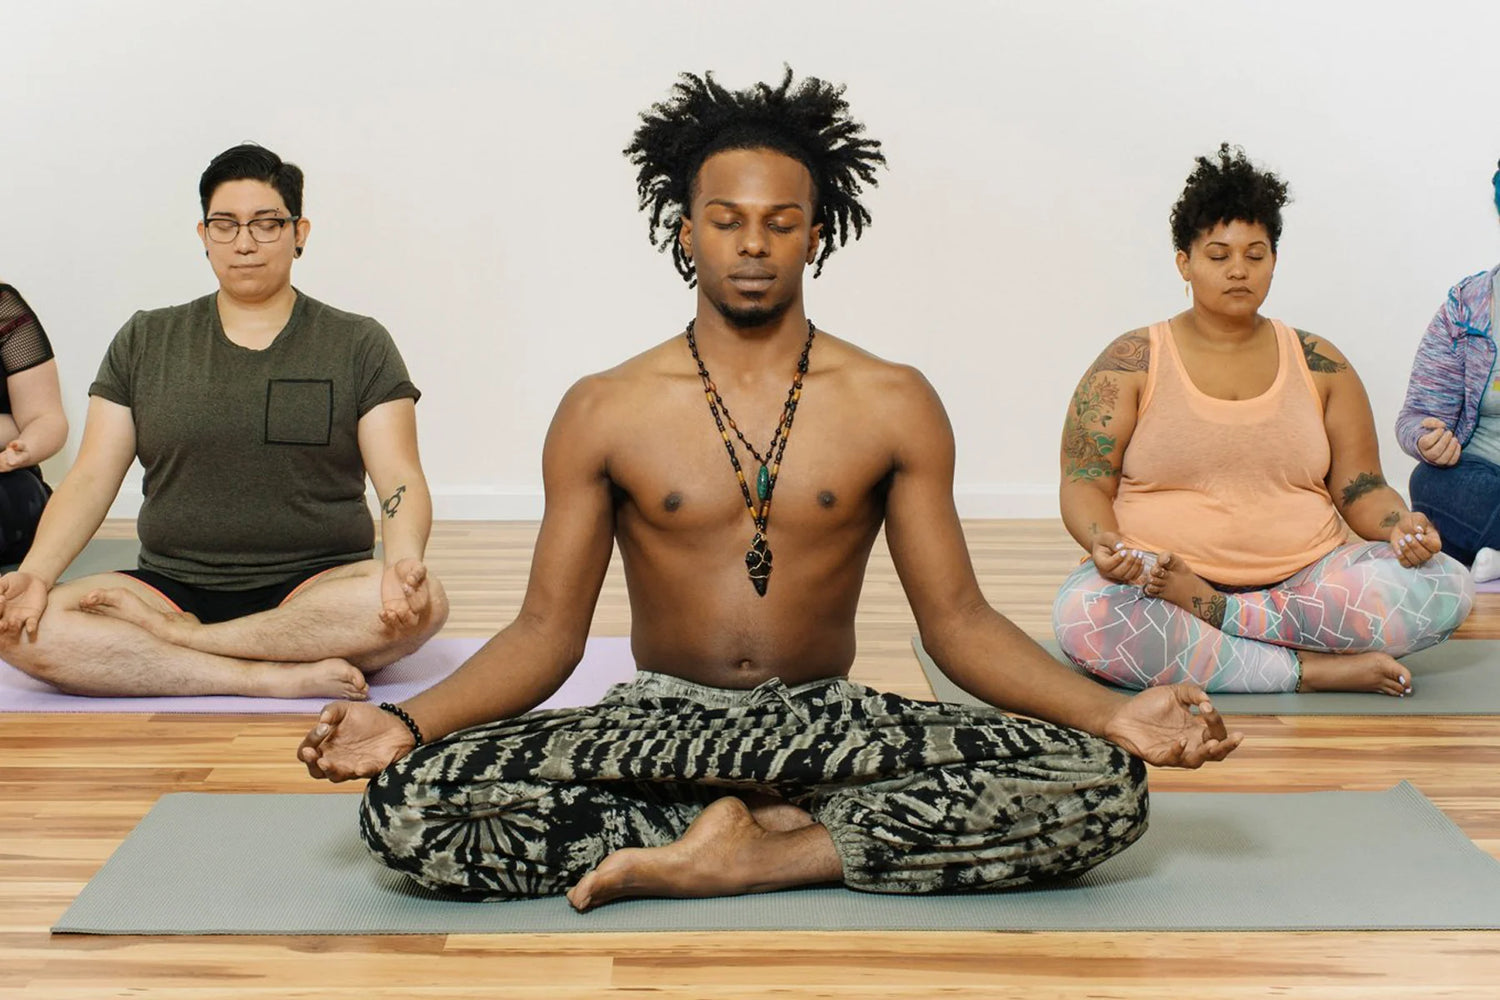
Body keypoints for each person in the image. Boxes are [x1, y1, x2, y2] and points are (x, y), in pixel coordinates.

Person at [298, 70, 1239, 912]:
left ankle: (753, 855)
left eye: (781, 223)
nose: (754, 244)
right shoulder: (602, 408)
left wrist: (1112, 712)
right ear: (685, 230)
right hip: (661, 722)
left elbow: (957, 623)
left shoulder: (894, 402)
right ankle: (762, 832)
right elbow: (547, 634)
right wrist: (405, 722)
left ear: (817, 234)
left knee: (1103, 781)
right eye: (727, 219)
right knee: (409, 804)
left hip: (825, 721)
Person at [0, 144, 447, 699]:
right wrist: (37, 576)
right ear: (203, 235)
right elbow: (90, 477)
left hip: (318, 584)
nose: (244, 242)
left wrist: (403, 565)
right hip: (169, 586)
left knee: (426, 606)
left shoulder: (358, 342)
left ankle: (180, 644)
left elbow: (399, 476)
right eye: (226, 225)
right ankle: (258, 673)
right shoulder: (145, 339)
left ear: (299, 232)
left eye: (266, 224)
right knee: (21, 627)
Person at [1053, 144, 1473, 696]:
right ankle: (1311, 669)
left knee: (1448, 585)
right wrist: (1103, 540)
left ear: (1275, 260)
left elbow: (1363, 488)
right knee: (1085, 616)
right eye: (1218, 255)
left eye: (1256, 255)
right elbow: (1086, 481)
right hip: (1161, 578)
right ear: (1184, 261)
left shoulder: (1321, 363)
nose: (1238, 271)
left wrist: (1402, 526)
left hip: (1305, 579)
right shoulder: (1130, 362)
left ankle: (1224, 622)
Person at [1397, 159, 1500, 579]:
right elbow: (1415, 417)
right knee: (1429, 482)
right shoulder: (1467, 307)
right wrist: (1428, 439)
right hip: (1483, 480)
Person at [0, 283, 68, 565]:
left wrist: (24, 448)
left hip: (4, 476)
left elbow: (45, 417)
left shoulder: (3, 309)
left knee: (15, 497)